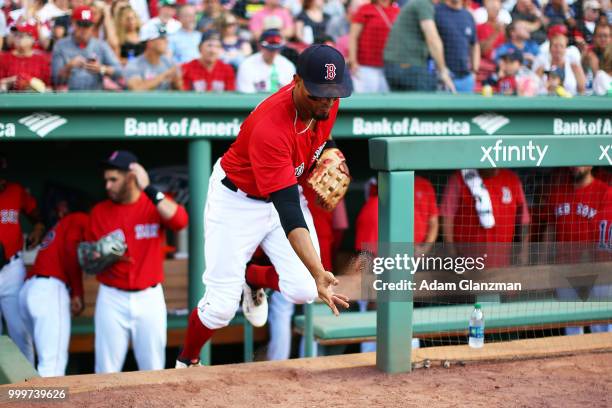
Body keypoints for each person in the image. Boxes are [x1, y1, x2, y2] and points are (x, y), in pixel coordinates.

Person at [175, 44, 352, 368]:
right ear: (296, 80)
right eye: (318, 93)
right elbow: (288, 212)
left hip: (281, 193)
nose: (327, 100)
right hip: (237, 202)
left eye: (333, 92)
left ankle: (253, 277)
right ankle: (188, 359)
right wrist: (319, 272)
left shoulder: (328, 101)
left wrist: (330, 152)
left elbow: (321, 136)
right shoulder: (270, 126)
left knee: (302, 290)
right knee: (220, 308)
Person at [88, 150, 188, 373]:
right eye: (106, 180)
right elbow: (90, 259)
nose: (108, 186)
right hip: (111, 297)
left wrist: (150, 189)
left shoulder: (153, 203)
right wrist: (101, 256)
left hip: (149, 297)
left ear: (131, 177)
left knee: (153, 369)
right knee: (105, 371)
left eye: (114, 179)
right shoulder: (99, 212)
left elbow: (180, 221)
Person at [19, 207, 89, 377]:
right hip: (49, 291)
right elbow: (70, 252)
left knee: (30, 364)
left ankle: (26, 402)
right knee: (52, 367)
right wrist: (77, 293)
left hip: (29, 290)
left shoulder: (60, 225)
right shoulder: (81, 217)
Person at [0, 153, 44, 364]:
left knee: (19, 330)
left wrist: (37, 227)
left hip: (12, 268)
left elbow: (37, 216)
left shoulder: (15, 191)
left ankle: (28, 386)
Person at [441, 169, 530, 268]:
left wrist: (524, 251)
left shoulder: (512, 179)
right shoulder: (459, 178)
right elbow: (447, 219)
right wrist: (452, 256)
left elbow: (523, 220)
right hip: (467, 265)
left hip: (502, 264)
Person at [383, 0, 455, 92]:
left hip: (393, 66)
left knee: (401, 104)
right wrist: (443, 71)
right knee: (428, 98)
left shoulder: (417, 3)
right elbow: (432, 38)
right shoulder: (423, 3)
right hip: (408, 66)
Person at [51, 6, 123, 91]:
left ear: (92, 26)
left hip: (95, 97)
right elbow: (55, 79)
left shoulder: (100, 45)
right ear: (73, 23)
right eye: (80, 24)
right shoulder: (61, 45)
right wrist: (69, 67)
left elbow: (120, 71)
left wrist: (102, 68)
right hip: (70, 97)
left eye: (87, 25)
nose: (84, 29)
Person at [348, 0, 400, 93]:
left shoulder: (397, 11)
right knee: (366, 100)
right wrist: (353, 61)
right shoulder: (365, 9)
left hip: (390, 67)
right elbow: (353, 37)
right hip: (365, 66)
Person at [435, 0, 480, 93]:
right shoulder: (436, 11)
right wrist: (441, 71)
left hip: (466, 78)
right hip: (442, 77)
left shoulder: (468, 15)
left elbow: (475, 44)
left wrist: (474, 71)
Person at [125, 23, 183, 90]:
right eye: (162, 38)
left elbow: (180, 92)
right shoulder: (134, 64)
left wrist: (176, 84)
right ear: (150, 42)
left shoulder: (170, 63)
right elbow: (136, 89)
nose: (167, 41)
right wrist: (164, 76)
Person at [236, 28, 295, 93]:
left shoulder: (287, 65)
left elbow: (290, 94)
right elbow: (246, 95)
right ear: (259, 46)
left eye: (276, 49)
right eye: (269, 49)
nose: (272, 52)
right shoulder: (247, 65)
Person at [0, 23, 51, 92]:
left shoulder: (42, 59)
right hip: (9, 98)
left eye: (22, 36)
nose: (18, 38)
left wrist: (31, 82)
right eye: (16, 35)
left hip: (35, 99)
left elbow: (49, 86)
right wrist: (10, 81)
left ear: (32, 39)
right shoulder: (4, 57)